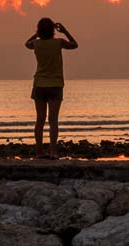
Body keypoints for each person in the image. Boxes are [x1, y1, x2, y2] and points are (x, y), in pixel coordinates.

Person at [24, 17, 78, 158]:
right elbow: (74, 45)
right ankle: (53, 152)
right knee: (53, 120)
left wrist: (36, 34)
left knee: (40, 120)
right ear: (53, 31)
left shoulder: (36, 44)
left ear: (39, 30)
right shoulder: (58, 43)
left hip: (40, 84)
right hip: (55, 84)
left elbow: (26, 44)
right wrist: (65, 31)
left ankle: (39, 152)